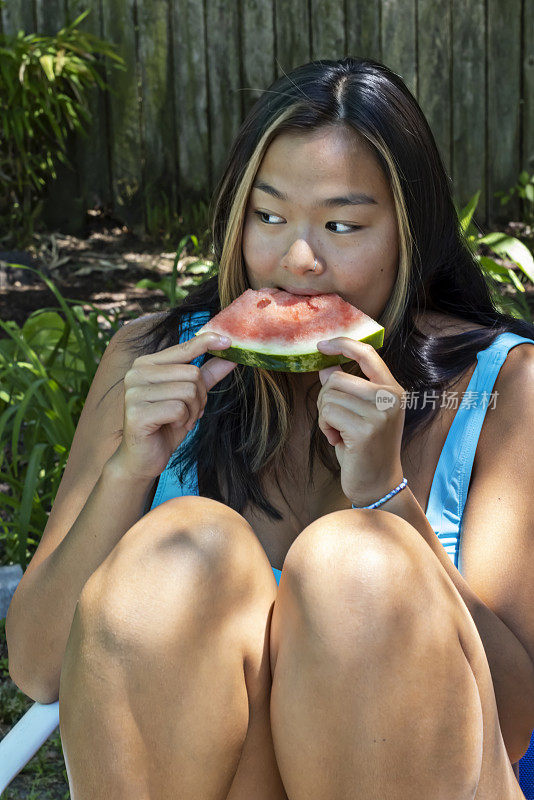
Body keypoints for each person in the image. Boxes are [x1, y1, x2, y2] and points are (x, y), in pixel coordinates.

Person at [6, 56, 534, 799]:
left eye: (343, 224)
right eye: (269, 216)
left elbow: (512, 722)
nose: (296, 261)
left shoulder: (502, 390)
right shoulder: (151, 359)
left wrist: (388, 498)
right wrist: (131, 465)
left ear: (411, 230)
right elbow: (35, 665)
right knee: (179, 550)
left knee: (359, 567)